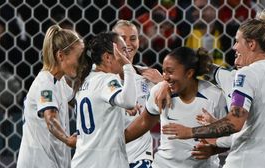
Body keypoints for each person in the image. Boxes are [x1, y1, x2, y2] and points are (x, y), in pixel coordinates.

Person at [160, 8, 265, 168]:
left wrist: (189, 131)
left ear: (251, 44)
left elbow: (234, 123)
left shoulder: (247, 75)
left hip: (246, 162)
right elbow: (250, 130)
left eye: (238, 41)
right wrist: (215, 132)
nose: (234, 47)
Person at [125, 47, 227, 168]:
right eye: (164, 71)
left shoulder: (215, 97)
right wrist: (112, 142)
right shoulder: (159, 92)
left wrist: (213, 150)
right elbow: (144, 121)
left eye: (170, 71)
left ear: (189, 73)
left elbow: (231, 136)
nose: (165, 77)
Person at [17, 25, 84, 168]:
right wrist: (68, 140)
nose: (81, 63)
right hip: (37, 163)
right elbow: (51, 119)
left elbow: (81, 102)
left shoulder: (59, 83)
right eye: (79, 57)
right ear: (60, 55)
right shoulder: (45, 83)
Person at [71, 31, 137, 168]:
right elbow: (129, 101)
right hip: (104, 163)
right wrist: (128, 67)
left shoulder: (85, 81)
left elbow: (101, 114)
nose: (127, 55)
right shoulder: (107, 80)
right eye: (123, 51)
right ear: (108, 57)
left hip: (82, 162)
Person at [112, 19, 162, 167]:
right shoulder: (102, 78)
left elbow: (172, 108)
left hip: (139, 156)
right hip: (109, 155)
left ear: (139, 41)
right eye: (122, 38)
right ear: (113, 43)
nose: (128, 43)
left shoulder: (148, 76)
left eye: (133, 38)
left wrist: (162, 84)